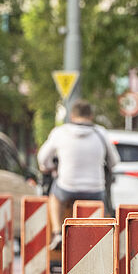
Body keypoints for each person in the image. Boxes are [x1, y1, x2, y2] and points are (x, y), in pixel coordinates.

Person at [36, 99, 119, 249]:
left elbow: (42, 158)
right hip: (95, 189)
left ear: (72, 116)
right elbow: (114, 161)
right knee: (104, 204)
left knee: (54, 197)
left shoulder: (60, 132)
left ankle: (57, 233)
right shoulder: (100, 133)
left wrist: (50, 167)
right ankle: (100, 241)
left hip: (67, 187)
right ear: (91, 116)